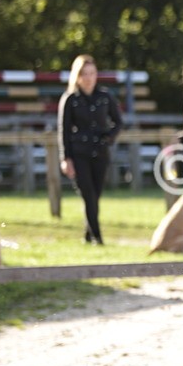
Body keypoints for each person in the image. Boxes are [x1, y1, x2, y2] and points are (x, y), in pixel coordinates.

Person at [58, 54, 123, 244]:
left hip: (100, 152)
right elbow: (64, 131)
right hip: (79, 154)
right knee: (88, 195)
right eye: (84, 74)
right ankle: (97, 237)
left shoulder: (105, 96)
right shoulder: (70, 99)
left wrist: (108, 137)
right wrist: (66, 158)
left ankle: (88, 234)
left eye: (92, 73)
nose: (88, 78)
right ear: (77, 76)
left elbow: (118, 121)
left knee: (96, 195)